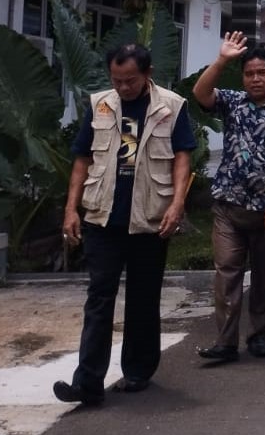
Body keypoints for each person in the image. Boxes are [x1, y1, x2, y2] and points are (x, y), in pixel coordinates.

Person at [53, 42, 196, 405]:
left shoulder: (171, 106)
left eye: (130, 80)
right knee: (99, 297)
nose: (123, 87)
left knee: (143, 299)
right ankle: (87, 382)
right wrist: (71, 209)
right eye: (117, 80)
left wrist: (178, 204)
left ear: (147, 75)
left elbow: (182, 157)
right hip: (103, 216)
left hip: (149, 217)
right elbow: (82, 159)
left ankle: (137, 371)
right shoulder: (100, 103)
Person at [193, 32, 265, 364]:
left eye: (262, 72)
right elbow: (201, 93)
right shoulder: (232, 101)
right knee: (227, 273)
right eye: (249, 73)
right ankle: (225, 342)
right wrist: (222, 60)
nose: (255, 78)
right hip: (229, 207)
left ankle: (260, 335)